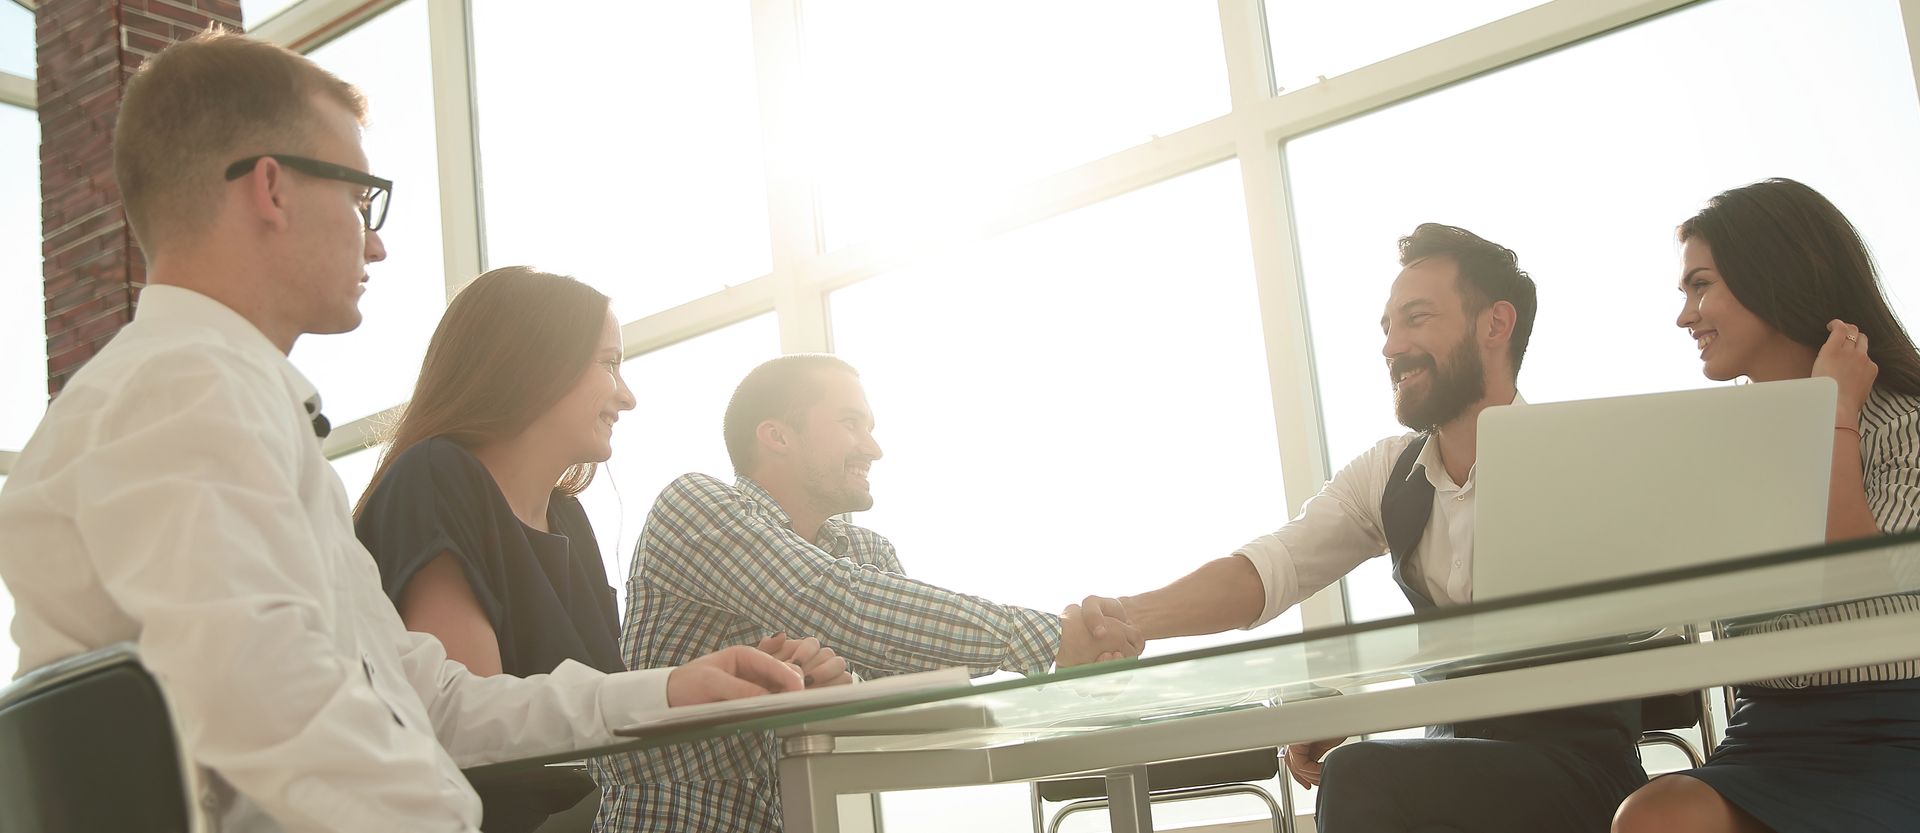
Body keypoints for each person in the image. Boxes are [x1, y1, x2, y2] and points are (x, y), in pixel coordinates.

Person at [0, 32, 798, 832]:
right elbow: (278, 722)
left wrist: (664, 689)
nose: (375, 240)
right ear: (271, 189)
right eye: (360, 197)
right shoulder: (183, 397)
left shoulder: (209, 398)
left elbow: (433, 699)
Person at [1075, 224, 1649, 833]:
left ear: (1495, 325)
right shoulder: (1389, 474)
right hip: (1453, 768)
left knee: (1358, 773)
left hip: (1582, 777)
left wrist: (1376, 710)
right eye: (1387, 328)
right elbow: (1272, 570)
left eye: (1416, 319)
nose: (1391, 346)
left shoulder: (1584, 459)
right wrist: (1127, 617)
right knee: (1368, 776)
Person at [352, 266, 851, 831]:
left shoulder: (567, 517)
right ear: (533, 362)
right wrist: (676, 689)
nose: (627, 396)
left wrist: (742, 682)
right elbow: (479, 729)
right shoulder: (437, 478)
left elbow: (596, 729)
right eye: (609, 363)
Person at [592, 354, 1143, 832]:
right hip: (678, 820)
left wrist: (846, 684)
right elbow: (831, 601)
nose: (873, 448)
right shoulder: (694, 505)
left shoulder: (868, 553)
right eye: (852, 423)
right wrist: (1053, 639)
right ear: (777, 435)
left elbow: (911, 707)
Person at [1611, 178, 1920, 833]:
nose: (1684, 315)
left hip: (1896, 727)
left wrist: (1833, 411)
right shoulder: (1719, 439)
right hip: (1768, 728)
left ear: (1773, 277)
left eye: (1700, 285)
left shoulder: (1901, 425)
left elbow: (1855, 586)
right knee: (1651, 816)